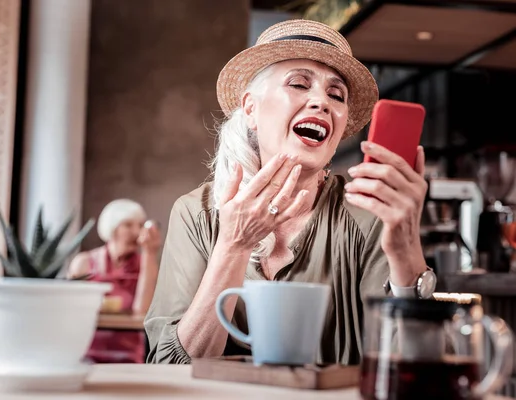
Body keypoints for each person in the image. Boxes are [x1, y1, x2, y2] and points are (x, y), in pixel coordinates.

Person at [144, 19, 435, 365]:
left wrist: (407, 256)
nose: (321, 102)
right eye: (299, 84)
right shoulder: (197, 214)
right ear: (251, 108)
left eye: (336, 94)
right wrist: (234, 245)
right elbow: (169, 367)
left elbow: (413, 366)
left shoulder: (368, 215)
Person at [69, 199, 161, 363]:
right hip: (85, 353)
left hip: (128, 356)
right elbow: (70, 310)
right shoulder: (84, 262)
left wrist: (150, 254)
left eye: (140, 225)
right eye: (128, 225)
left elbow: (142, 312)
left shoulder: (146, 264)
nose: (136, 232)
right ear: (112, 228)